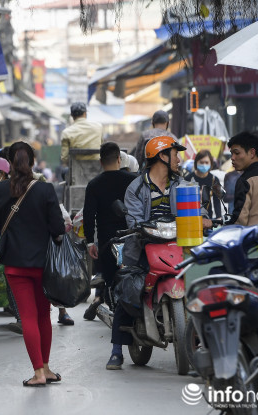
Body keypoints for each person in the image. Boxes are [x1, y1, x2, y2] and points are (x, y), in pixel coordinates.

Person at [115, 135, 211, 371]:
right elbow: (134, 218)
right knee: (127, 286)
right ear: (162, 156)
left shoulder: (183, 184)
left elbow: (195, 207)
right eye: (176, 154)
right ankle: (116, 349)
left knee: (201, 283)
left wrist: (204, 217)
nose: (179, 159)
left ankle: (203, 341)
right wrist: (138, 226)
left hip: (178, 243)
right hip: (143, 244)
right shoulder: (136, 188)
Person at [0, 141, 65, 387]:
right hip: (43, 264)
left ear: (10, 163)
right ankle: (46, 368)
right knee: (44, 315)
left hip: (15, 265)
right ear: (32, 162)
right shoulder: (45, 190)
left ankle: (39, 373)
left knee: (28, 317)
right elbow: (57, 228)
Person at [82, 143, 137, 321]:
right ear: (119, 159)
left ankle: (115, 310)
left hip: (106, 241)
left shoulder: (94, 185)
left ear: (100, 162)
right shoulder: (132, 180)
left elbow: (88, 217)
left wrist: (90, 242)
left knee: (111, 279)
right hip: (132, 238)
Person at [226, 132, 258, 238]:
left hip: (255, 246)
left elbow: (240, 221)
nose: (232, 158)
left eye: (236, 153)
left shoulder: (245, 181)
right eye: (231, 154)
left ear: (252, 153)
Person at [185, 150, 224, 220]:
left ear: (211, 164)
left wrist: (218, 217)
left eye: (206, 162)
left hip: (208, 218)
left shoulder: (214, 179)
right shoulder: (188, 179)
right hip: (191, 217)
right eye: (201, 162)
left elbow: (217, 201)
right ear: (196, 162)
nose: (204, 165)